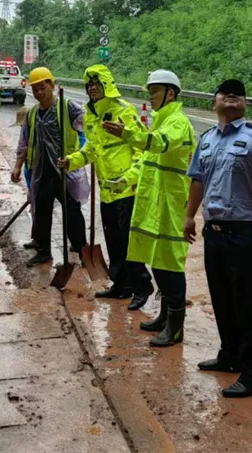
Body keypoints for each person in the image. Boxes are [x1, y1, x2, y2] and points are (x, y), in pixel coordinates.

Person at [184, 79, 252, 399]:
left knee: (247, 302)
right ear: (214, 102)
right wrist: (189, 215)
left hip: (243, 231)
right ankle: (230, 356)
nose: (231, 96)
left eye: (237, 94)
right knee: (221, 296)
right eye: (225, 93)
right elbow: (197, 180)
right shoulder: (207, 139)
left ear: (244, 103)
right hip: (213, 230)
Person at [102, 69, 195, 347]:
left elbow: (158, 144)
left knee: (170, 265)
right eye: (150, 91)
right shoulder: (161, 121)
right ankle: (165, 317)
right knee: (158, 263)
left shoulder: (178, 123)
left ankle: (176, 327)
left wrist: (128, 134)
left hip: (171, 207)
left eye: (155, 91)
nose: (151, 96)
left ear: (171, 93)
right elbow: (145, 163)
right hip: (155, 206)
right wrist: (124, 181)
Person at [58, 65, 154, 310]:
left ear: (107, 85)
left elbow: (142, 149)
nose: (92, 88)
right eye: (89, 85)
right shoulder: (91, 115)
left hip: (127, 190)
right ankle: (121, 285)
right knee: (113, 239)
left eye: (97, 84)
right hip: (108, 190)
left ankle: (142, 286)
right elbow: (92, 149)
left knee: (129, 241)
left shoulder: (123, 110)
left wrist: (128, 178)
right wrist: (72, 161)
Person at [11, 67, 89, 266]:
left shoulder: (68, 107)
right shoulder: (32, 114)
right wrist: (18, 166)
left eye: (43, 88)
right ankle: (43, 251)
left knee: (72, 212)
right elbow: (24, 143)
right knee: (41, 212)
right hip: (42, 172)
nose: (39, 93)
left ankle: (82, 250)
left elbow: (90, 127)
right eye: (35, 89)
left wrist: (86, 153)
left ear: (52, 86)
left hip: (65, 170)